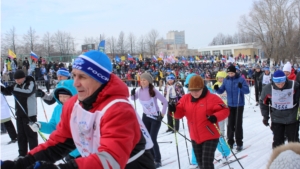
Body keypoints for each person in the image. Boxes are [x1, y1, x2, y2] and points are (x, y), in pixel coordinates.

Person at [1, 50, 155, 169]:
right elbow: (59, 142)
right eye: (74, 75)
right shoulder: (73, 104)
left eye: (82, 77)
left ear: (99, 79)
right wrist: (23, 163)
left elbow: (110, 160)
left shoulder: (119, 109)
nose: (75, 83)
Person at [173, 75, 229, 169]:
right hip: (195, 136)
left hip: (210, 135)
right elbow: (179, 114)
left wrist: (215, 117)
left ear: (202, 88)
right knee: (201, 163)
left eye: (197, 90)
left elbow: (225, 110)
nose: (194, 93)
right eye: (192, 90)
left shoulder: (212, 98)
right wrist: (173, 110)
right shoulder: (185, 99)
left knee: (206, 163)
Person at [29, 79, 80, 160]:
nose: (62, 99)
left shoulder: (81, 109)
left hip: (82, 152)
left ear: (73, 95)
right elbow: (53, 126)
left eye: (66, 96)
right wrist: (40, 125)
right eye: (60, 96)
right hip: (67, 152)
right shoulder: (57, 109)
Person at [131, 72, 168, 168]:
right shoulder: (139, 91)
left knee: (152, 138)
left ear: (149, 81)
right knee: (146, 138)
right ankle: (150, 157)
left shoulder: (154, 90)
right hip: (146, 117)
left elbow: (164, 101)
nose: (142, 82)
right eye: (141, 80)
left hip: (155, 117)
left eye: (144, 80)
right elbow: (133, 99)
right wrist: (132, 94)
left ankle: (158, 159)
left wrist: (162, 115)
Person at [0, 69, 38, 158]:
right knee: (21, 136)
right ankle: (22, 154)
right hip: (20, 114)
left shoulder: (30, 83)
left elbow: (27, 92)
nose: (17, 81)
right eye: (16, 80)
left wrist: (13, 89)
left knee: (31, 135)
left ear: (23, 78)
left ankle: (34, 154)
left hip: (29, 115)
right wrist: (2, 89)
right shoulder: (16, 85)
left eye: (19, 79)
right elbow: (8, 92)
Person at [260, 70, 300, 148]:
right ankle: (278, 159)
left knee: (294, 142)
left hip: (292, 118)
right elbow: (263, 103)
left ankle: (296, 158)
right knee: (278, 143)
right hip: (277, 118)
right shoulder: (267, 89)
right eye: (278, 84)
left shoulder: (294, 86)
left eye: (282, 83)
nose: (280, 85)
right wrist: (265, 116)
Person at [214, 65, 250, 151]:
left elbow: (247, 90)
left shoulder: (240, 79)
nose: (230, 74)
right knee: (230, 124)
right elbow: (221, 90)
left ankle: (239, 142)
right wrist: (217, 89)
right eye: (229, 73)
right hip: (230, 105)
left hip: (239, 104)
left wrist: (241, 87)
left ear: (235, 72)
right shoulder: (226, 80)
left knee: (237, 124)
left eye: (232, 73)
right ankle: (230, 142)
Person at [213, 71, 228, 136]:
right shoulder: (216, 84)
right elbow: (213, 92)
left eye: (222, 78)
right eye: (219, 78)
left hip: (227, 105)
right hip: (219, 106)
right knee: (220, 122)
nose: (220, 79)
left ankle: (230, 136)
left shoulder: (227, 84)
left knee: (229, 123)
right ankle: (221, 136)